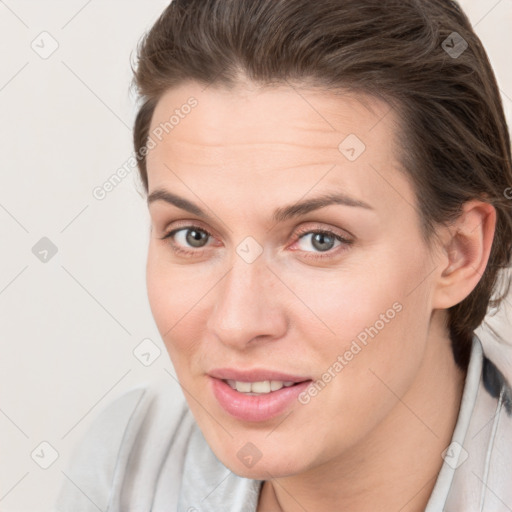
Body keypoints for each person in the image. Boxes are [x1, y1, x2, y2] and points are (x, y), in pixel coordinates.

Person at [55, 0, 512, 510]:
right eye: (194, 236)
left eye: (320, 239)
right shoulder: (129, 463)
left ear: (458, 253)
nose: (236, 322)